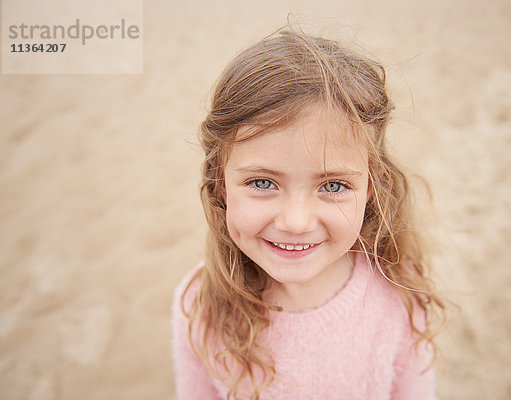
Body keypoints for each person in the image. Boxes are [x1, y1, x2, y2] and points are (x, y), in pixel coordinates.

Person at [172, 27, 446, 400]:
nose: (296, 222)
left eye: (332, 186)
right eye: (263, 183)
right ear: (220, 183)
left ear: (371, 188)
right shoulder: (198, 304)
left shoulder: (401, 296)